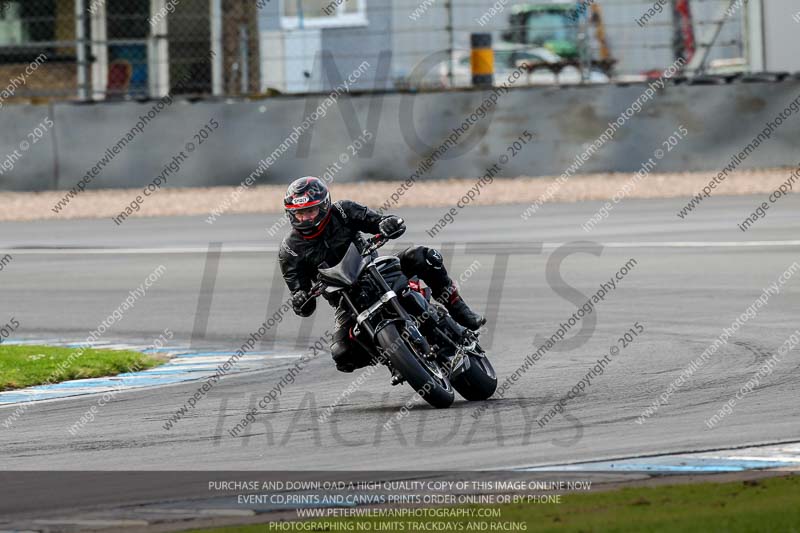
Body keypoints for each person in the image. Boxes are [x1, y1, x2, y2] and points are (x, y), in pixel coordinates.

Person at [278, 176, 485, 372]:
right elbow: (302, 298)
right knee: (342, 354)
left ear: (323, 206)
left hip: (375, 271)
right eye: (299, 213)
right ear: (290, 214)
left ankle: (459, 310)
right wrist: (300, 299)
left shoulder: (342, 211)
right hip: (345, 300)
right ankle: (394, 358)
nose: (305, 218)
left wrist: (387, 223)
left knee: (424, 256)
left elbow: (377, 221)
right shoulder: (290, 250)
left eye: (310, 211)